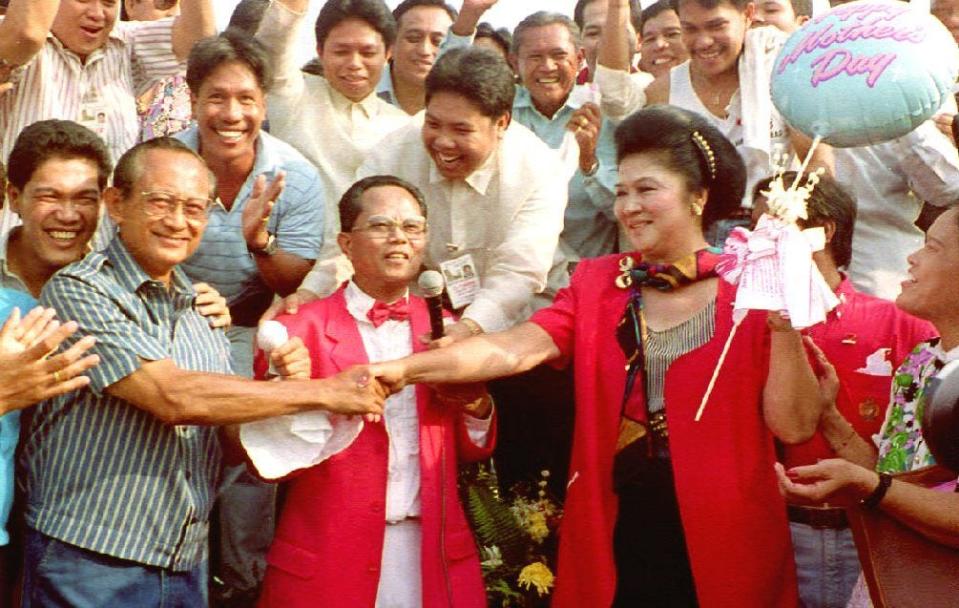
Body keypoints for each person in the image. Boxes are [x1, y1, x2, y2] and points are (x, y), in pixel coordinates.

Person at [368, 105, 824, 607]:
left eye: (647, 189)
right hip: (615, 528)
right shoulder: (598, 283)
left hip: (727, 532)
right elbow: (514, 348)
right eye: (622, 191)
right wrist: (404, 369)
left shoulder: (751, 289)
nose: (629, 206)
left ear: (698, 197)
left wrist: (782, 322)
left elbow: (795, 425)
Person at [18, 137, 384, 607]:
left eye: (194, 208)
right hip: (90, 562)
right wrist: (320, 393)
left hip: (186, 562)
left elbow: (229, 441)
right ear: (116, 204)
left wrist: (279, 388)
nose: (178, 221)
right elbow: (172, 398)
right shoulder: (78, 290)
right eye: (161, 203)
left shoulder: (203, 310)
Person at [242, 175, 494, 608]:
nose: (399, 238)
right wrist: (296, 391)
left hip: (432, 552)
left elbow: (472, 450)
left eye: (413, 228)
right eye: (381, 226)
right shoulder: (299, 329)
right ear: (345, 243)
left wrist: (475, 402)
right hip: (329, 557)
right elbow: (274, 467)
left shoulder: (446, 330)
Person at [175, 30, 325, 605]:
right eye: (216, 97)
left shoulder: (296, 176)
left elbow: (289, 280)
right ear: (193, 101)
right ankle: (177, 568)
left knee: (248, 456)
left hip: (250, 322)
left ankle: (242, 583)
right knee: (178, 446)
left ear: (264, 103)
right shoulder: (166, 162)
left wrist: (259, 241)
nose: (231, 113)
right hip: (169, 317)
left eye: (246, 98)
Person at [752, 171, 938, 608]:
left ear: (823, 232)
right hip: (774, 536)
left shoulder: (902, 327)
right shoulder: (745, 326)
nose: (756, 239)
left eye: (770, 223)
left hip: (877, 532)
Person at [0, 0, 216, 239]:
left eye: (108, 3)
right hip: (25, 245)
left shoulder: (126, 43)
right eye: (82, 0)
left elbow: (200, 37)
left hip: (99, 250)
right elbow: (27, 33)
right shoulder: (11, 38)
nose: (96, 14)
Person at [255, 0, 409, 294]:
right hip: (289, 267)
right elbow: (272, 44)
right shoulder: (294, 94)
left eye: (368, 52)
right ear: (319, 51)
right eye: (341, 51)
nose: (354, 63)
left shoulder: (405, 128)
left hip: (370, 280)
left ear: (388, 54)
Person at [510, 11, 619, 258]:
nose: (547, 67)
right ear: (514, 62)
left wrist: (589, 162)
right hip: (515, 274)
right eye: (535, 57)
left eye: (559, 56)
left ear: (579, 58)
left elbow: (621, 210)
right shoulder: (497, 112)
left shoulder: (603, 114)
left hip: (586, 277)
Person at [376, 0, 497, 115]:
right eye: (413, 38)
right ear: (392, 43)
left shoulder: (469, 103)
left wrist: (470, 14)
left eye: (438, 42)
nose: (424, 51)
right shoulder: (363, 89)